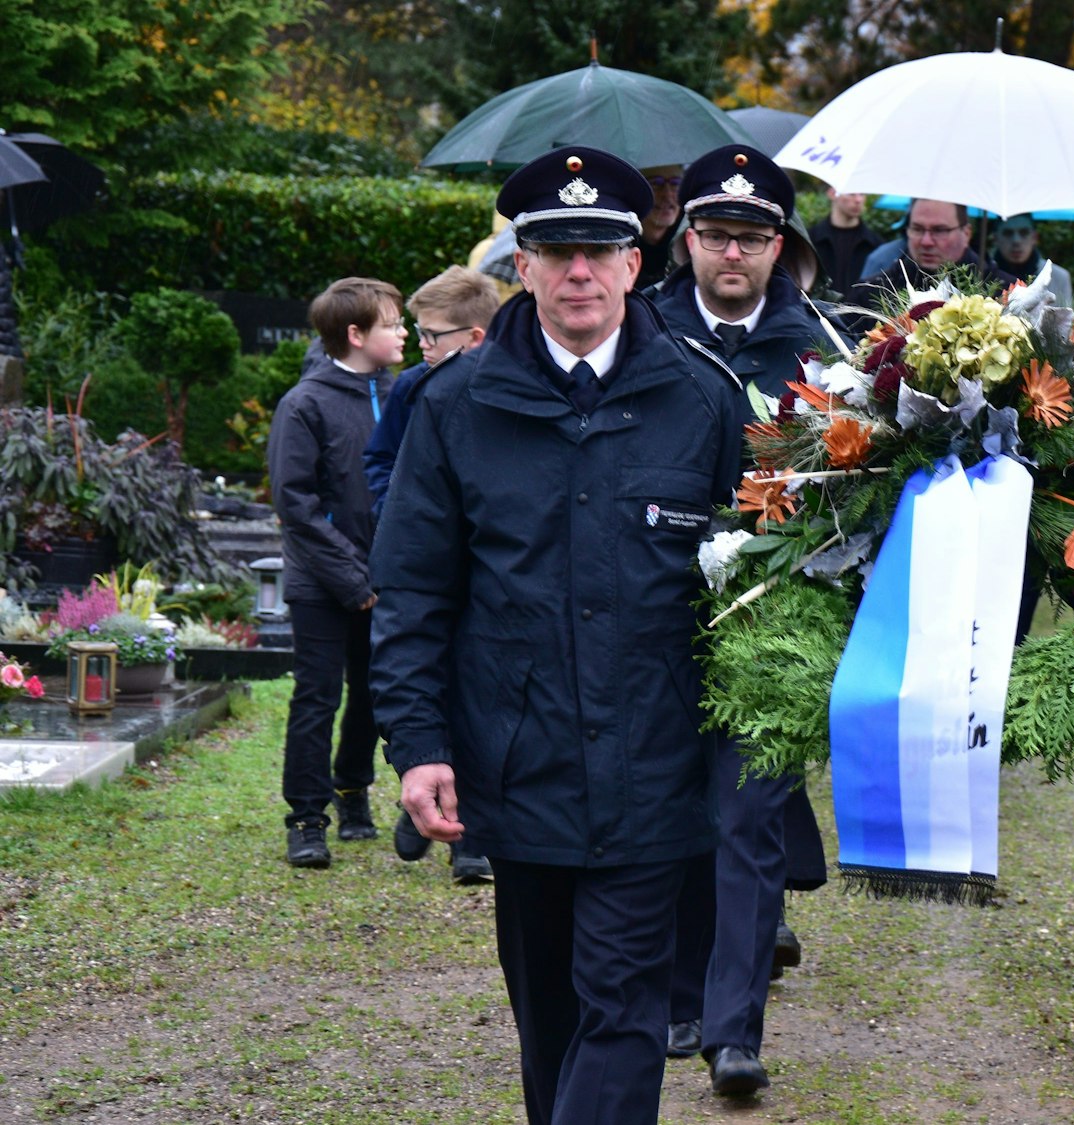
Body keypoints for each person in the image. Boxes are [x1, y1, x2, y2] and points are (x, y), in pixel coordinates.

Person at [369, 145, 743, 1125]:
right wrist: (417, 747)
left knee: (622, 1012)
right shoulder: (453, 408)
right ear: (520, 266)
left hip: (654, 762)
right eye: (555, 251)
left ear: (634, 262)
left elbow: (758, 582)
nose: (579, 271)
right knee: (551, 1021)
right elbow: (411, 594)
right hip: (517, 763)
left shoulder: (702, 402)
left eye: (601, 250)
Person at [648, 142, 841, 1099]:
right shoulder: (643, 334)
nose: (733, 254)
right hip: (657, 611)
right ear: (685, 241)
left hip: (777, 613)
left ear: (780, 246)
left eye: (752, 238)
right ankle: (682, 995)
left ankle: (735, 1028)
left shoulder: (825, 354)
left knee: (752, 815)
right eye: (716, 235)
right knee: (677, 809)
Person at [360, 264, 500, 885]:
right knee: (425, 683)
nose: (422, 346)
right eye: (417, 334)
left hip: (482, 574)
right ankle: (420, 790)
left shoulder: (504, 389)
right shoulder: (414, 387)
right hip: (422, 557)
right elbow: (380, 459)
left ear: (474, 338)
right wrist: (402, 506)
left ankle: (469, 840)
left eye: (433, 335)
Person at [269, 276, 406, 868]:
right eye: (393, 323)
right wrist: (354, 581)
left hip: (385, 581)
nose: (405, 332)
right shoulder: (304, 404)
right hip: (323, 584)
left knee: (376, 697)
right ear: (355, 335)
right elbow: (295, 506)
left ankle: (353, 792)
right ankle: (306, 816)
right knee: (317, 697)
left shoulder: (401, 394)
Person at [844, 198, 998, 329]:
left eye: (939, 230)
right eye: (917, 229)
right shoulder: (868, 296)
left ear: (966, 233)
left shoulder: (1003, 296)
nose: (926, 241)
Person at [806, 187, 883, 297]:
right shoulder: (810, 240)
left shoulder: (876, 245)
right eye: (851, 193)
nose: (858, 200)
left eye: (862, 193)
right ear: (832, 193)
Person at [988, 214, 1074, 307]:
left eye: (1024, 233)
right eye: (1008, 233)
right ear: (995, 238)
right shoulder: (983, 273)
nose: (1016, 241)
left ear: (1035, 237)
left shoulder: (1058, 277)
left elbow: (1066, 319)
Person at [635, 165, 683, 290]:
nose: (667, 194)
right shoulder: (621, 245)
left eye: (675, 184)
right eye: (656, 183)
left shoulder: (690, 246)